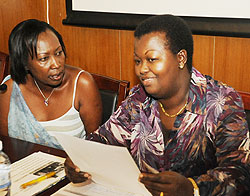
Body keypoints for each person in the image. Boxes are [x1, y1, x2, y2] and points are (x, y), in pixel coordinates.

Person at [64, 14, 250, 195]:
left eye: (151, 59)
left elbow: (240, 174)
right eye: (138, 61)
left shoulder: (221, 103)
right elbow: (104, 140)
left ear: (181, 58)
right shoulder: (138, 98)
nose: (142, 70)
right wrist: (78, 161)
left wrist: (191, 188)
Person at [0, 19, 102, 149]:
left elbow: (96, 147)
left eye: (59, 53)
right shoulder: (9, 90)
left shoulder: (82, 85)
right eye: (44, 58)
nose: (56, 64)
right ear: (24, 64)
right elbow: (6, 147)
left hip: (72, 168)